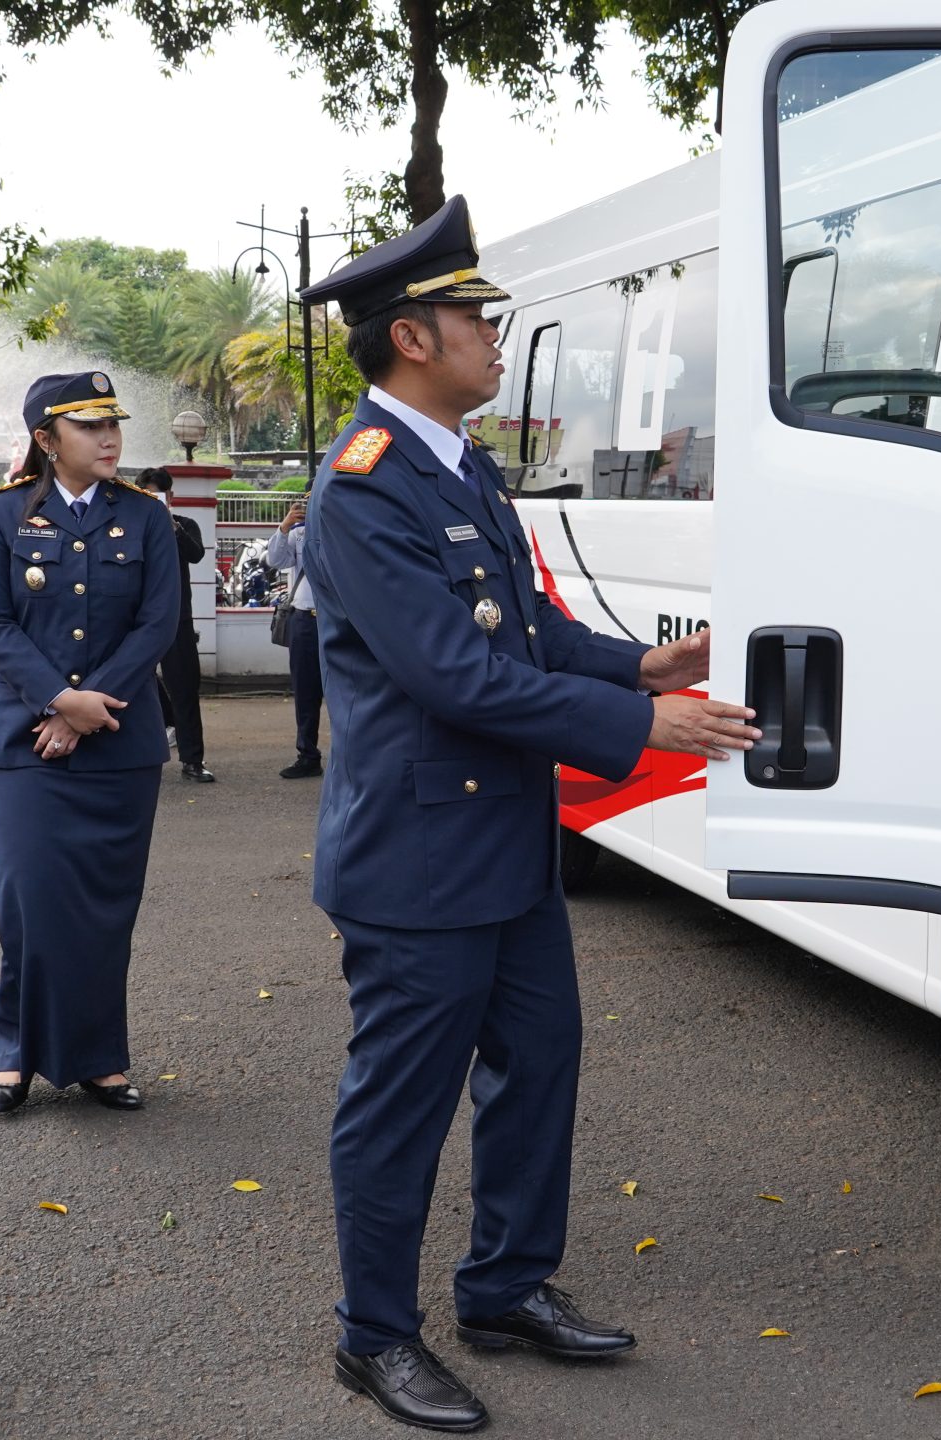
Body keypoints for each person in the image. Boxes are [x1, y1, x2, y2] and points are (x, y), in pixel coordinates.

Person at [293, 195, 760, 1433]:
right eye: (474, 320)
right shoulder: (364, 489)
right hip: (415, 859)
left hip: (500, 844)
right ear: (410, 339)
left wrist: (643, 668)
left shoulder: (464, 463)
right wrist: (637, 732)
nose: (496, 340)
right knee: (399, 1102)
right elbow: (454, 673)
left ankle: (503, 1288)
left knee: (538, 1065)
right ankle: (373, 1337)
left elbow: (527, 627)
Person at [0, 372, 180, 1115]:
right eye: (89, 427)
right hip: (23, 746)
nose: (110, 437)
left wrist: (87, 711)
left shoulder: (146, 518)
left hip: (118, 745)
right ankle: (15, 1055)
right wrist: (58, 701)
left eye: (112, 423)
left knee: (102, 908)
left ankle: (100, 1058)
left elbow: (156, 625)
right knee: (29, 903)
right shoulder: (1, 518)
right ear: (47, 440)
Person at [138, 465, 214, 782]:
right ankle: (150, 741)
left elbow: (196, 555)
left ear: (169, 495)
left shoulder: (184, 525)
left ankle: (192, 761)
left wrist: (170, 525)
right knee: (133, 683)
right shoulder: (128, 527)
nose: (152, 499)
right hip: (137, 620)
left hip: (176, 619)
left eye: (157, 493)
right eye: (146, 494)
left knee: (185, 688)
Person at [264, 492, 321, 778]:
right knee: (306, 692)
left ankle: (351, 757)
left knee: (347, 692)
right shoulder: (298, 531)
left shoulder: (346, 526)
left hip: (338, 620)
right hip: (305, 620)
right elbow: (275, 561)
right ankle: (308, 755)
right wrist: (284, 526)